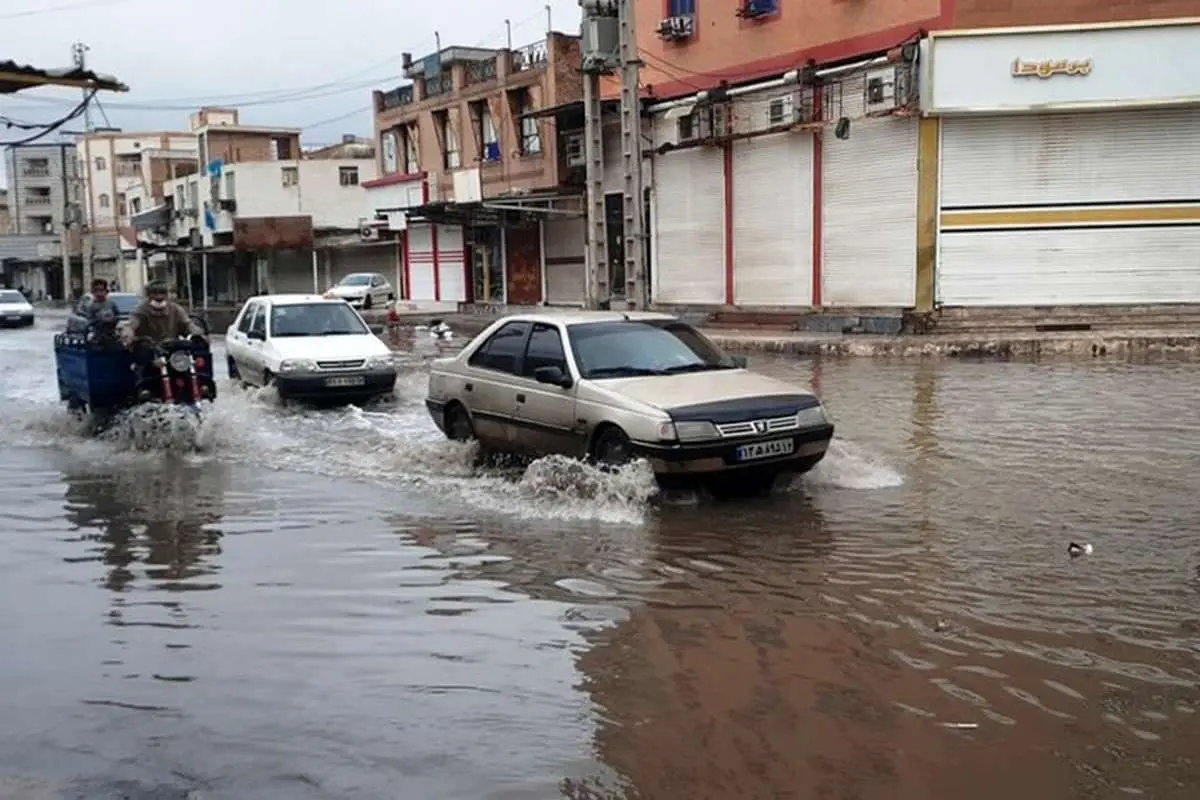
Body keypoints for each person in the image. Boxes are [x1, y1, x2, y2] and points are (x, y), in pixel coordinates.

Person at [123, 281, 204, 346]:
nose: (159, 296)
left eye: (162, 292)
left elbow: (187, 324)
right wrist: (128, 334)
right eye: (154, 293)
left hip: (172, 349)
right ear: (148, 295)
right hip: (149, 350)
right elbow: (131, 325)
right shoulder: (140, 310)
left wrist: (197, 332)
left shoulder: (176, 309)